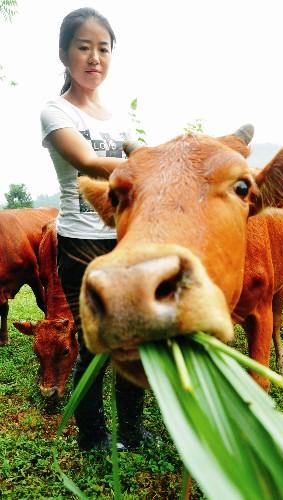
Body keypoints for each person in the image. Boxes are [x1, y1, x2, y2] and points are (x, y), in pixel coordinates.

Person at [40, 7, 149, 452]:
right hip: (81, 240)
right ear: (64, 54)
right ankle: (94, 437)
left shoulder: (116, 115)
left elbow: (143, 151)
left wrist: (171, 157)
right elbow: (88, 162)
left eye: (102, 49)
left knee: (131, 338)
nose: (93, 58)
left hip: (124, 239)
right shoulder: (55, 111)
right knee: (94, 342)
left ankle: (130, 431)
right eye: (83, 47)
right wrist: (144, 165)